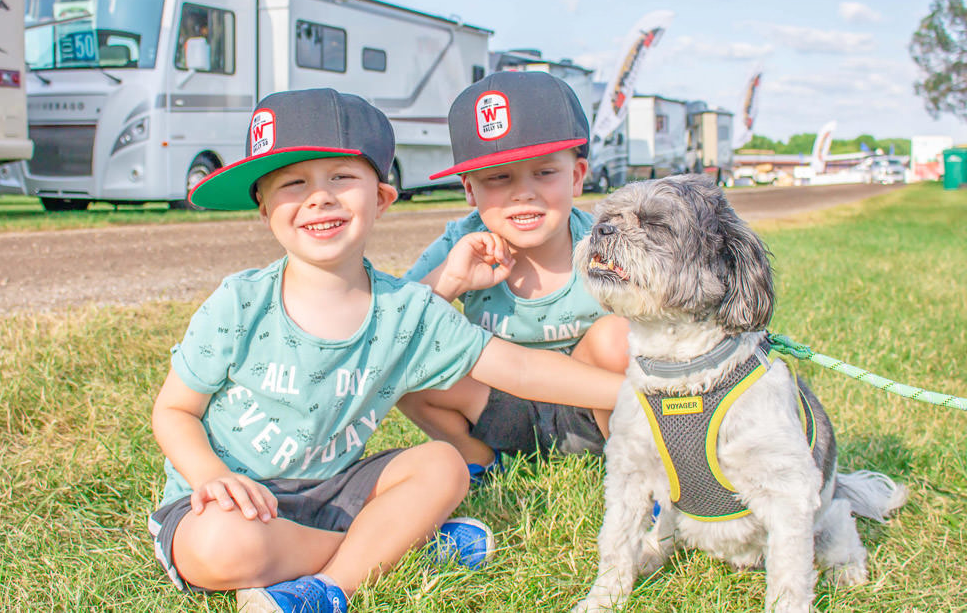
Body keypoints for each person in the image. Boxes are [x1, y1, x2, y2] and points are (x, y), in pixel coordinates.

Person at [148, 88, 626, 613]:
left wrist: (641, 389)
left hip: (338, 489)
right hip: (228, 499)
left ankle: (331, 586)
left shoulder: (405, 309)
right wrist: (210, 476)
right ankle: (394, 547)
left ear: (380, 198)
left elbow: (518, 367)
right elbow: (174, 411)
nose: (319, 198)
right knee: (220, 547)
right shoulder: (239, 302)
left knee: (443, 466)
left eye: (341, 178)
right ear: (263, 207)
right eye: (293, 183)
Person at [399, 71, 630, 482]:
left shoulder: (606, 244)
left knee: (618, 336)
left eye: (544, 172)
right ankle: (481, 462)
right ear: (469, 189)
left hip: (594, 407)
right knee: (408, 365)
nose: (523, 193)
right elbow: (392, 328)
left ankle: (633, 466)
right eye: (499, 176)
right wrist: (450, 280)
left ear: (577, 176)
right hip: (500, 408)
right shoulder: (460, 243)